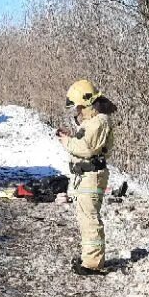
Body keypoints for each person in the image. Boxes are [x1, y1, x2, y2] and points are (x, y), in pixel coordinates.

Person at [57, 79, 116, 276]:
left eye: (79, 107)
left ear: (87, 104)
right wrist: (71, 137)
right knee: (85, 218)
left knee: (89, 219)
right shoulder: (94, 121)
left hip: (91, 176)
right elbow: (84, 141)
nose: (77, 111)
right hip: (86, 176)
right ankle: (89, 257)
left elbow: (86, 148)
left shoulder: (99, 121)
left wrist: (66, 141)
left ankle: (92, 263)